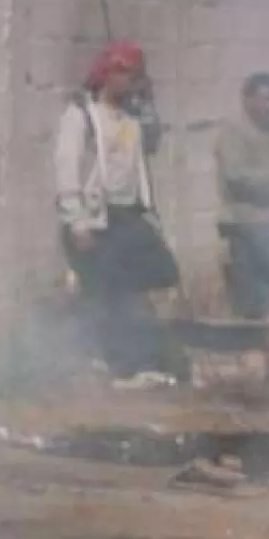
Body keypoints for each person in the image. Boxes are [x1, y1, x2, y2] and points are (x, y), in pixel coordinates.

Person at [54, 40, 182, 383]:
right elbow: (67, 170)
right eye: (124, 73)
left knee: (162, 272)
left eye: (136, 75)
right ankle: (111, 360)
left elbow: (153, 142)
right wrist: (77, 222)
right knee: (109, 292)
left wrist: (149, 101)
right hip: (95, 219)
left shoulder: (132, 117)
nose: (130, 80)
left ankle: (131, 354)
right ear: (106, 74)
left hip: (129, 216)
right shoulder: (82, 115)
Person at [215, 72, 269, 320]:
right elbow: (236, 176)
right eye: (265, 99)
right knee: (249, 297)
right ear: (247, 100)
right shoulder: (232, 132)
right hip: (242, 226)